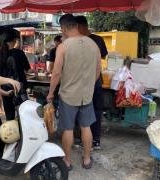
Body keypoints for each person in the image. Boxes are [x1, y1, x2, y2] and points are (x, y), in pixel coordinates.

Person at [47, 14, 101, 170]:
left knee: (68, 129)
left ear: (63, 28)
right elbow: (98, 70)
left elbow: (56, 72)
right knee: (86, 127)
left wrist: (51, 92)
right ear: (76, 26)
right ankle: (86, 159)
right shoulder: (93, 44)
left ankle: (67, 161)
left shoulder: (63, 46)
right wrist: (89, 85)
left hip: (68, 95)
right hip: (87, 95)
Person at [75, 15, 108, 150]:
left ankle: (86, 139)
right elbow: (104, 56)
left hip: (84, 80)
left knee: (84, 110)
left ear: (80, 26)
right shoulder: (99, 39)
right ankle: (95, 140)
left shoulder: (78, 41)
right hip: (96, 79)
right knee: (96, 109)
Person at [0, 29, 31, 120]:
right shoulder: (19, 53)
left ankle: (12, 133)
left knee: (9, 114)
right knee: (23, 113)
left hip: (6, 89)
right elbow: (28, 70)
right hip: (20, 88)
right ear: (14, 40)